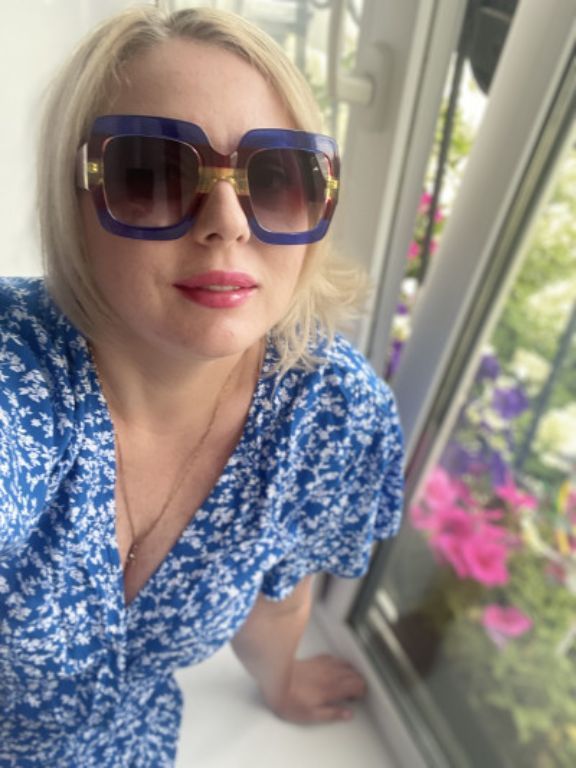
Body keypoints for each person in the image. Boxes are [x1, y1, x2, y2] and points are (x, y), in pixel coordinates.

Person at [0, 5, 404, 767]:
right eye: (151, 174)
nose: (227, 222)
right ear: (74, 198)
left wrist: (281, 681)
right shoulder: (16, 378)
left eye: (276, 178)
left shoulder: (329, 412)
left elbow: (277, 594)